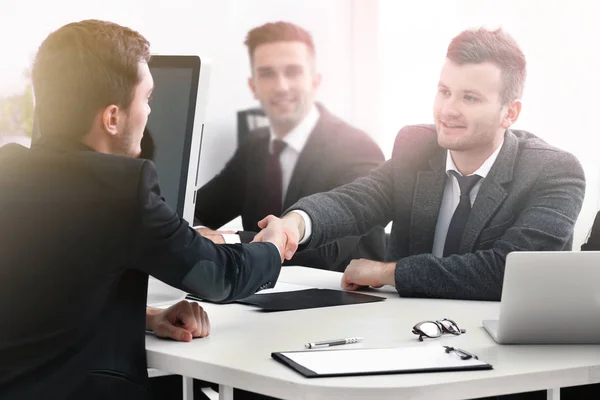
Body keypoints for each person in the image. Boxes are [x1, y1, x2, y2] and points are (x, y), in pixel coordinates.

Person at [0, 19, 291, 400]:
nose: (150, 112)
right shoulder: (122, 188)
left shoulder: (10, 169)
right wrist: (272, 245)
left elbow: (42, 303)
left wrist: (146, 317)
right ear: (112, 117)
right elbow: (219, 277)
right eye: (148, 98)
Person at [256, 27, 585, 302]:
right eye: (444, 91)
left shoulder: (554, 172)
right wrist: (294, 225)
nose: (448, 110)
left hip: (505, 356)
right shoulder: (416, 145)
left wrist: (391, 273)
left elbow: (509, 273)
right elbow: (356, 201)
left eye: (469, 98)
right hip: (410, 335)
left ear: (510, 113)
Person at [194, 21, 386, 272]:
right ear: (253, 86)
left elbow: (332, 253)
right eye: (267, 74)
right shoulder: (257, 145)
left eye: (293, 72)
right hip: (265, 296)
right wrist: (198, 231)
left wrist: (226, 240)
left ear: (315, 81)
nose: (281, 86)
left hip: (340, 298)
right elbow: (195, 209)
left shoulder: (357, 148)